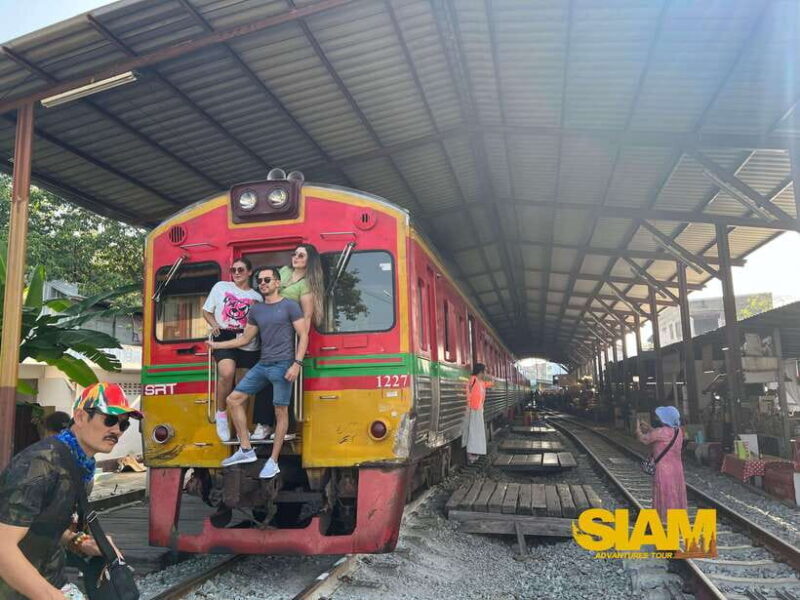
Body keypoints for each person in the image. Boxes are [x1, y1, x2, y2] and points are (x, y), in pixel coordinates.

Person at [0, 382, 142, 600]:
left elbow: (43, 525)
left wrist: (80, 541)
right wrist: (52, 596)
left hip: (51, 580)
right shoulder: (39, 465)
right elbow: (3, 547)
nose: (116, 430)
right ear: (81, 417)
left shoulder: (81, 464)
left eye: (124, 425)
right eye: (110, 420)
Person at [208, 267, 308, 479]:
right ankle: (246, 449)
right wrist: (217, 346)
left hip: (283, 365)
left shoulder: (290, 306)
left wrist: (297, 364)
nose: (262, 283)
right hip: (263, 365)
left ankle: (273, 461)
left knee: (280, 412)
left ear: (277, 283)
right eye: (260, 280)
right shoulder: (257, 310)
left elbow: (303, 335)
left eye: (267, 280)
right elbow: (245, 339)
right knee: (233, 399)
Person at [251, 244, 324, 441]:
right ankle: (263, 424)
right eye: (295, 254)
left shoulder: (306, 284)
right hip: (268, 332)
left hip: (289, 335)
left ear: (309, 260)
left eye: (301, 255)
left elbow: (307, 316)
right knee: (264, 378)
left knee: (285, 379)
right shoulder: (283, 271)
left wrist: (302, 343)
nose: (296, 257)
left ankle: (287, 427)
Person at [202, 257, 263, 442]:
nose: (236, 273)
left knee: (243, 386)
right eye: (233, 270)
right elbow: (206, 310)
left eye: (240, 269)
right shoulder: (221, 287)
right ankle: (221, 414)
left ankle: (240, 429)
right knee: (227, 373)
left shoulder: (257, 297)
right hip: (225, 334)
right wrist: (214, 325)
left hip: (248, 339)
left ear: (249, 272)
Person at [636, 405, 688, 522]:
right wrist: (649, 427)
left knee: (665, 492)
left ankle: (664, 518)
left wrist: (638, 429)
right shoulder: (679, 431)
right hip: (677, 469)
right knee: (676, 492)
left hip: (664, 469)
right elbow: (659, 435)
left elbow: (644, 439)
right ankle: (677, 518)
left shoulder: (660, 432)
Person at [462, 363, 493, 464]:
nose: (486, 373)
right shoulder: (473, 380)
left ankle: (475, 452)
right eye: (485, 371)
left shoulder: (481, 382)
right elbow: (467, 391)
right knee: (473, 432)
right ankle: (471, 454)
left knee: (478, 432)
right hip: (473, 409)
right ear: (481, 372)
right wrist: (469, 405)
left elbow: (487, 384)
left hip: (479, 409)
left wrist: (492, 382)